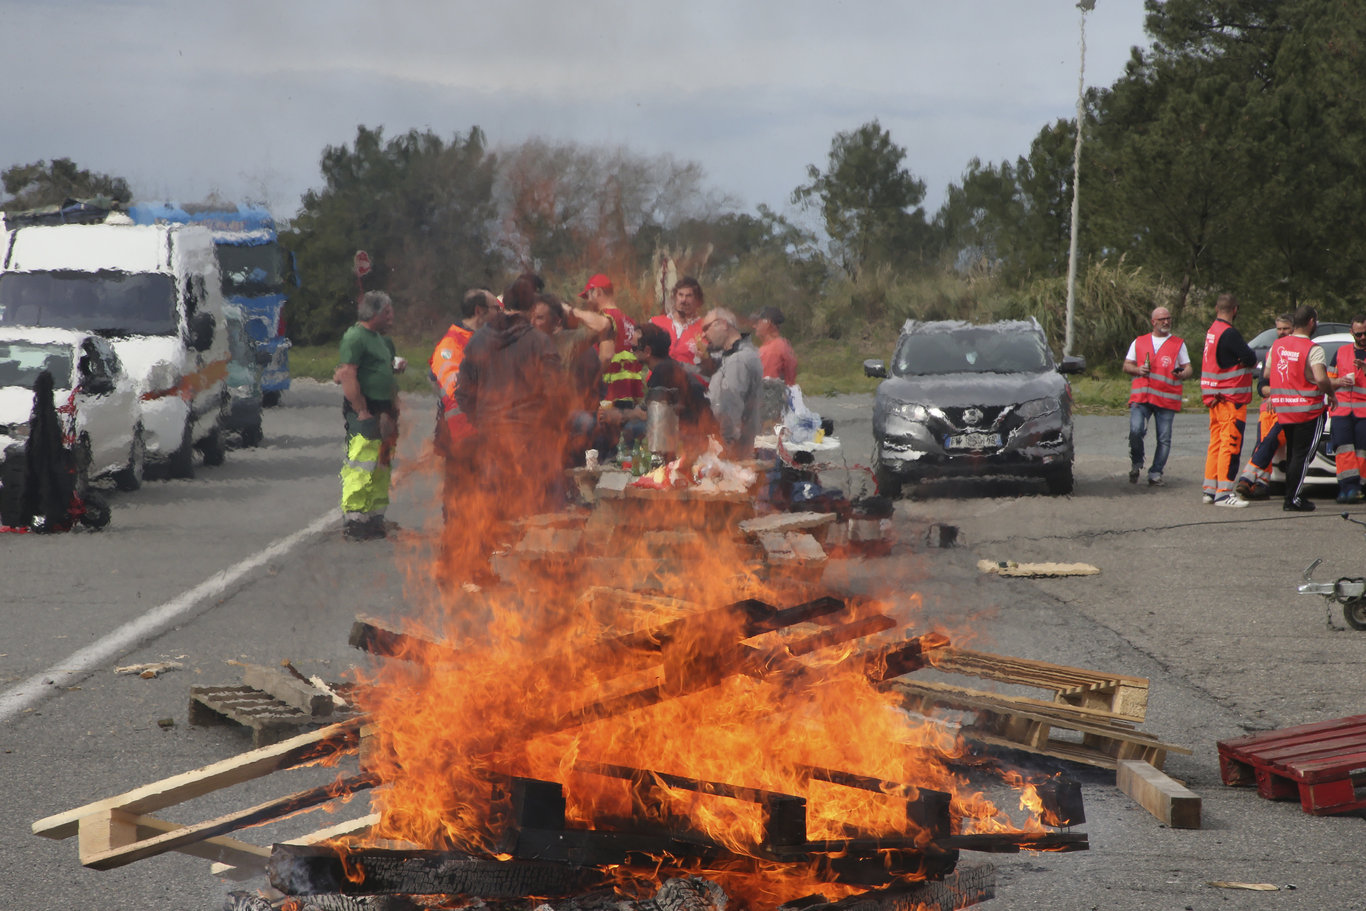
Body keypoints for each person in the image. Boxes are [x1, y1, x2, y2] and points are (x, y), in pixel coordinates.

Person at [454, 274, 565, 520]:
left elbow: (462, 393)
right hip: (530, 442)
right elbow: (556, 394)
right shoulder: (540, 342)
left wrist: (482, 420)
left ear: (505, 304)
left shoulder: (477, 341)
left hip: (490, 440)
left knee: (495, 514)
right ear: (533, 306)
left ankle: (495, 557)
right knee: (531, 515)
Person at [337, 291, 405, 541]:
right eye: (387, 312)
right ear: (374, 313)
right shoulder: (355, 337)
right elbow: (347, 373)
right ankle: (355, 520)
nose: (391, 317)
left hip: (385, 410)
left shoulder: (383, 341)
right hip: (366, 410)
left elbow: (385, 371)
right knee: (361, 462)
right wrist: (361, 409)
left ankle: (375, 517)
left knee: (382, 463)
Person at [428, 288, 498, 517]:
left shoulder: (481, 339)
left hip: (482, 434)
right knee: (461, 502)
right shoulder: (451, 345)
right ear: (479, 311)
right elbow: (456, 389)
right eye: (496, 309)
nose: (500, 313)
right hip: (462, 436)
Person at [1265, 305, 1335, 511]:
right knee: (1302, 456)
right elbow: (1322, 379)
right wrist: (1329, 392)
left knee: (1294, 454)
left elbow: (1268, 372)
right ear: (1312, 322)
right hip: (1308, 411)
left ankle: (1291, 495)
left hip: (1285, 409)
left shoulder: (1278, 346)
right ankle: (1292, 499)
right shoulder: (1313, 349)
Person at [1199, 293, 1257, 506]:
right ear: (1235, 309)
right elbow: (1250, 358)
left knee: (1215, 443)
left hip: (1215, 397)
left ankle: (1210, 489)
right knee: (1229, 445)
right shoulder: (1230, 333)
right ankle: (1224, 492)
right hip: (1231, 398)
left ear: (1216, 308)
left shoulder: (1212, 331)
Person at [1122, 306, 1190, 486]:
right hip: (1142, 398)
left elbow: (1188, 367)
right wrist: (1137, 369)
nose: (1166, 322)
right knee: (1135, 431)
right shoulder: (1139, 341)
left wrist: (1182, 373)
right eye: (1162, 319)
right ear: (1153, 322)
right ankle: (1137, 462)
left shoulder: (1178, 344)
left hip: (1166, 398)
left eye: (1168, 318)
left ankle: (1155, 473)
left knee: (1164, 438)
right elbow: (1126, 365)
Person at [1234, 313, 1293, 501]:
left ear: (1294, 329)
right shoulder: (1272, 352)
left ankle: (1250, 479)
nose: (1282, 333)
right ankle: (1261, 484)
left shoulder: (1300, 350)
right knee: (1263, 442)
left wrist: (1276, 394)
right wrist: (1274, 393)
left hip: (1290, 410)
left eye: (1286, 329)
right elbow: (1261, 387)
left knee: (1268, 442)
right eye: (1279, 329)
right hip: (1269, 409)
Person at [702, 307, 763, 459]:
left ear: (723, 324)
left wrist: (725, 449)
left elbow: (730, 412)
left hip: (737, 452)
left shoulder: (738, 360)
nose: (703, 334)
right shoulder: (731, 356)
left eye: (706, 328)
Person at [579, 273, 646, 407]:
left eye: (588, 295)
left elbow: (606, 356)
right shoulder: (630, 321)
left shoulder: (605, 318)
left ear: (597, 292)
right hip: (630, 394)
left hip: (609, 395)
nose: (587, 301)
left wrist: (590, 384)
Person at [1329, 314, 1366, 503]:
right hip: (1341, 410)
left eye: (1365, 334)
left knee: (1362, 452)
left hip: (1363, 413)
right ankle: (1346, 487)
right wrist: (1337, 381)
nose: (1362, 338)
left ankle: (1357, 488)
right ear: (1351, 332)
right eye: (1358, 334)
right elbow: (1327, 380)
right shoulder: (1341, 352)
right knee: (1343, 450)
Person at [650, 277, 708, 374]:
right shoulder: (655, 323)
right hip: (657, 384)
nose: (683, 300)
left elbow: (712, 366)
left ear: (698, 300)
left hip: (691, 385)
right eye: (680, 295)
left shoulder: (706, 327)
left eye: (689, 296)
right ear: (675, 297)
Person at [752, 305, 798, 385]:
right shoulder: (783, 344)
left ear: (767, 323)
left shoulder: (771, 350)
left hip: (775, 396)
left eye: (757, 322)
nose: (754, 326)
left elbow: (767, 387)